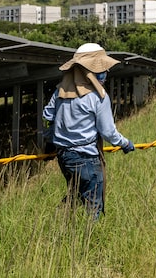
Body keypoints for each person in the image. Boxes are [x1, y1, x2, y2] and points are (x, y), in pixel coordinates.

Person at [42, 42, 135, 218]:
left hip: (64, 157)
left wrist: (49, 141)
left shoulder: (60, 92)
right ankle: (90, 238)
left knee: (75, 193)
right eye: (101, 70)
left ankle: (59, 225)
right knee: (93, 204)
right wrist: (125, 143)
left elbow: (47, 118)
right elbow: (108, 132)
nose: (105, 73)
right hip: (86, 158)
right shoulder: (97, 97)